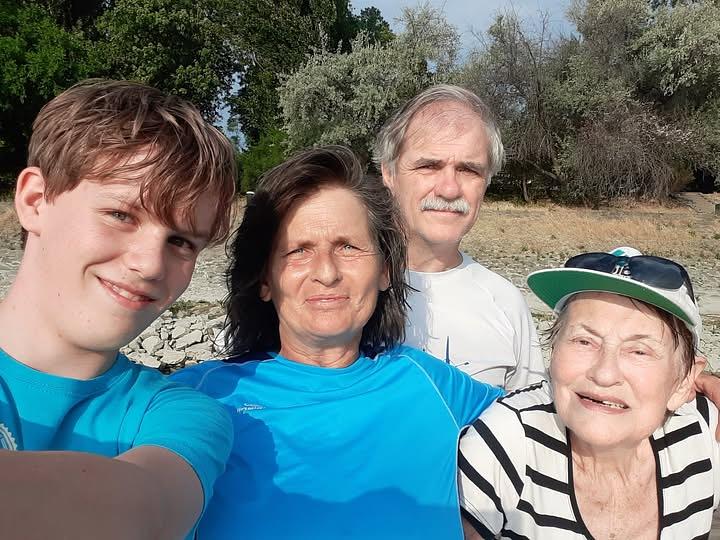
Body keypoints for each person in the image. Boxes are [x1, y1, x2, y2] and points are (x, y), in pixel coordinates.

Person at [172, 145, 503, 540]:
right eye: (298, 251)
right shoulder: (197, 399)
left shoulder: (437, 387)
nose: (327, 273)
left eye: (348, 247)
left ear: (385, 270)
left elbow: (550, 426)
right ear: (264, 280)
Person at [0, 79, 236, 539]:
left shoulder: (181, 416)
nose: (150, 265)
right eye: (121, 215)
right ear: (35, 202)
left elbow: (144, 509)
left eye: (181, 242)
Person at [458, 247, 718, 539]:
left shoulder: (703, 431)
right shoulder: (508, 441)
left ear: (683, 380)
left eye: (639, 351)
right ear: (553, 349)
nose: (604, 374)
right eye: (584, 341)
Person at [374, 84, 545, 389]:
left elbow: (531, 412)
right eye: (429, 166)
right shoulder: (347, 291)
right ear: (389, 172)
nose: (449, 189)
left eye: (468, 170)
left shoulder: (506, 304)